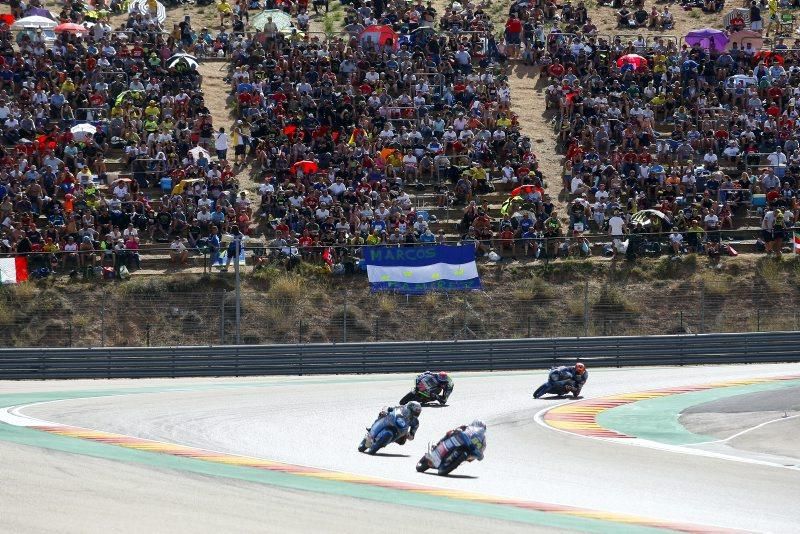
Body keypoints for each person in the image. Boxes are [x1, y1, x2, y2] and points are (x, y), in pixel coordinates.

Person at [421, 420, 486, 473]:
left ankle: (453, 461)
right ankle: (436, 445)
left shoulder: (483, 439)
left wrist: (480, 454)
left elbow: (482, 450)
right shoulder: (467, 427)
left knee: (473, 457)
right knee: (450, 433)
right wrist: (456, 430)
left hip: (469, 448)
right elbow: (457, 429)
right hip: (459, 439)